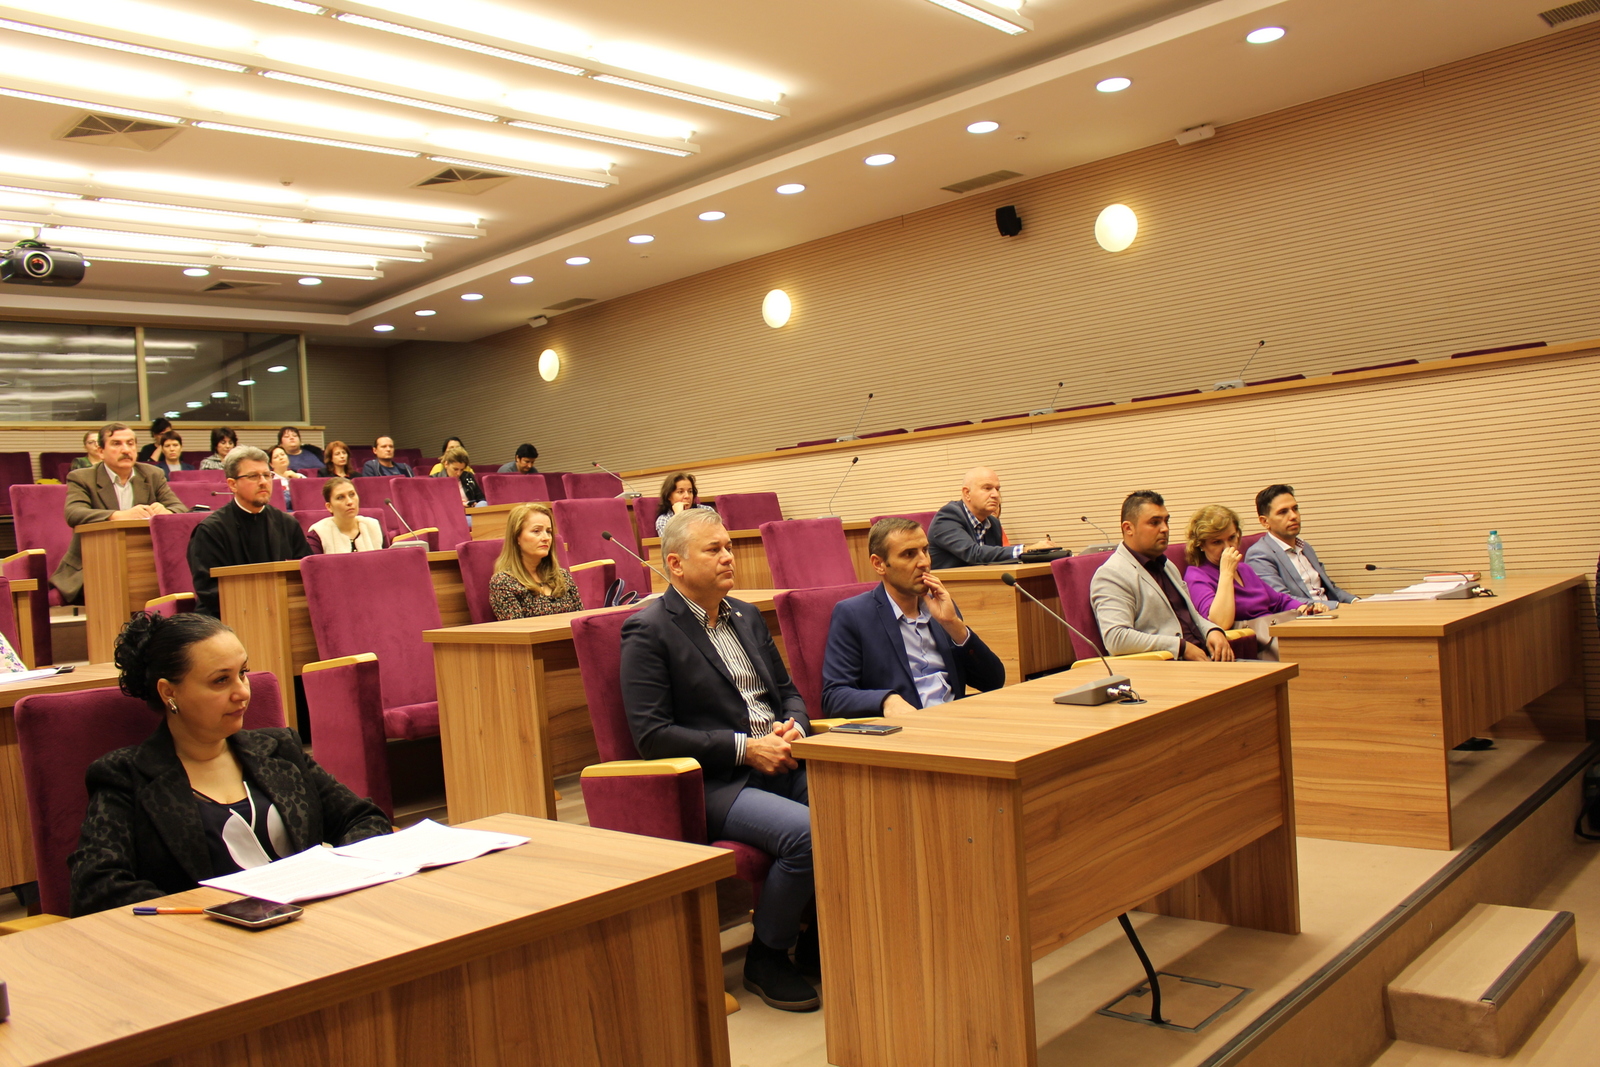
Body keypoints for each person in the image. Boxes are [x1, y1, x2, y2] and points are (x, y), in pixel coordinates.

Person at [620, 508, 818, 1012]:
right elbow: (652, 736)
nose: (729, 556)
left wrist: (794, 727)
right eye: (714, 549)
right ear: (676, 564)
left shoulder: (746, 615)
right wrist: (746, 748)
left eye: (728, 546)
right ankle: (766, 956)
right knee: (807, 834)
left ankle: (816, 936)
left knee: (854, 803)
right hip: (714, 781)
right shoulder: (648, 630)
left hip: (781, 758)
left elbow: (789, 693)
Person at [68, 611, 390, 916]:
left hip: (314, 922)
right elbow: (96, 887)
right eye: (221, 680)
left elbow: (363, 818)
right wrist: (214, 911)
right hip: (206, 941)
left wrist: (332, 873)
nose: (242, 693)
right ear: (169, 692)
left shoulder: (280, 749)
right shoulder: (125, 776)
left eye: (243, 673)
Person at [821, 517, 1005, 716]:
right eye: (909, 554)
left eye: (925, 550)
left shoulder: (942, 610)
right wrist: (887, 701)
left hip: (955, 720)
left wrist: (954, 625)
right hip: (909, 727)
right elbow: (834, 696)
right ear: (879, 564)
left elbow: (992, 682)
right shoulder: (854, 615)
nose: (924, 562)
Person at [51, 422, 187, 604]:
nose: (126, 450)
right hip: (94, 562)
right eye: (116, 444)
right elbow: (74, 513)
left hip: (146, 562)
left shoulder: (152, 474)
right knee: (117, 588)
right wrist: (118, 516)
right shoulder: (82, 477)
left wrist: (166, 511)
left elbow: (181, 510)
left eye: (130, 444)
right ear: (101, 451)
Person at [1090, 490, 1232, 661]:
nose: (1165, 528)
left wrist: (1211, 630)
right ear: (1128, 528)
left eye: (1166, 521)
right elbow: (1116, 639)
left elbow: (1190, 616)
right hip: (1169, 667)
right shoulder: (1112, 574)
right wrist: (1180, 647)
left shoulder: (1167, 565)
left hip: (1206, 659)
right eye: (1155, 522)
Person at [187, 446, 311, 616]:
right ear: (233, 484)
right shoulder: (211, 530)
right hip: (227, 619)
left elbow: (305, 575)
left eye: (267, 475)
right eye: (253, 476)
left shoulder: (287, 524)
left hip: (282, 613)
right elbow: (210, 591)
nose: (263, 482)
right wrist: (263, 607)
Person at [1182, 504, 1325, 649]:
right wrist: (1226, 573)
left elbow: (1278, 601)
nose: (1228, 547)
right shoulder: (1196, 576)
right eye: (1217, 542)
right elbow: (1219, 622)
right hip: (1251, 644)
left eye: (1232, 538)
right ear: (1201, 545)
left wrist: (1304, 608)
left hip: (1272, 632)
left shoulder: (1244, 569)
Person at [1244, 484, 1358, 606]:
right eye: (1283, 512)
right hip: (1304, 615)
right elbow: (1281, 600)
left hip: (1332, 610)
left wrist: (1356, 601)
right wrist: (1337, 606)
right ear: (1265, 521)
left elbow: (1330, 589)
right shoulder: (1259, 554)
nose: (1294, 516)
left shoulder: (1305, 547)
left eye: (1295, 508)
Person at [927, 466, 1056, 568]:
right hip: (950, 589)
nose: (995, 495)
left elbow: (997, 561)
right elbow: (973, 554)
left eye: (997, 489)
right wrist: (1026, 550)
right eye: (987, 488)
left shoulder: (993, 523)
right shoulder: (948, 517)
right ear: (967, 493)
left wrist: (1038, 556)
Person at [489, 503, 581, 619]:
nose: (546, 538)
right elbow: (516, 628)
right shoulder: (503, 583)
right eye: (536, 531)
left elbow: (581, 622)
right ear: (517, 537)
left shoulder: (563, 577)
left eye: (548, 531)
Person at [306, 477, 384, 553]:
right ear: (329, 507)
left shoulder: (373, 526)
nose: (349, 502)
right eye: (340, 497)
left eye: (352, 494)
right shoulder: (318, 533)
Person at [654, 471, 710, 536]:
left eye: (690, 491)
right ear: (668, 496)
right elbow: (672, 541)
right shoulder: (664, 520)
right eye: (680, 492)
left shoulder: (706, 511)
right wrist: (678, 516)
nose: (687, 496)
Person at [267, 444, 304, 511]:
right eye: (276, 457)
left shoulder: (298, 475)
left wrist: (297, 478)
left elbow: (310, 493)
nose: (281, 458)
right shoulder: (269, 479)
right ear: (271, 464)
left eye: (283, 454)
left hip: (299, 509)